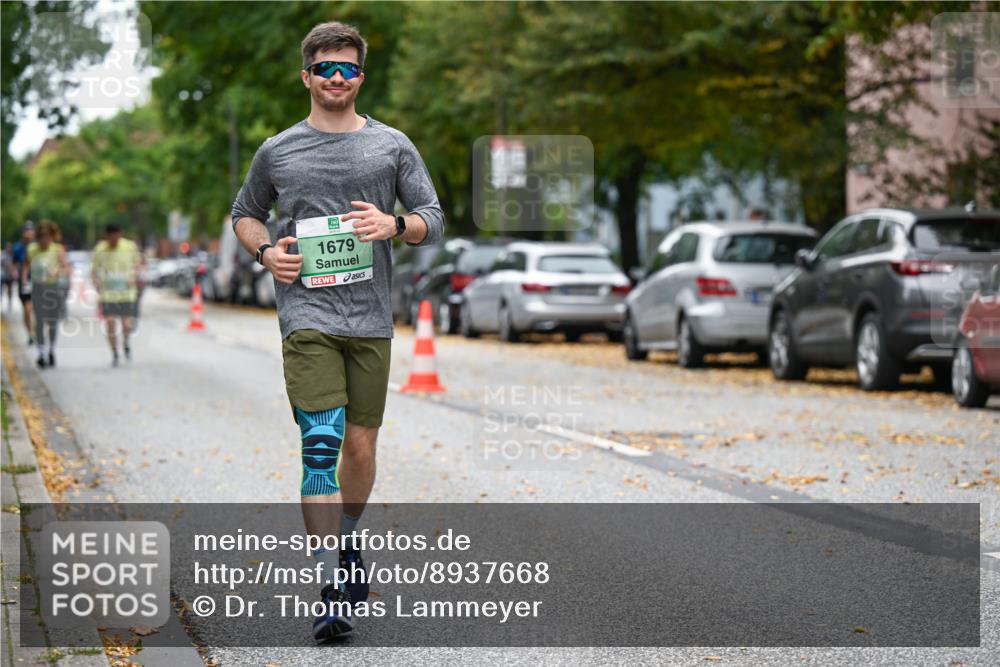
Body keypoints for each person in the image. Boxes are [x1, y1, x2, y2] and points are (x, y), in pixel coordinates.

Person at [231, 21, 444, 642]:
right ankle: (328, 587)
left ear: (361, 76)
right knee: (321, 443)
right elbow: (246, 214)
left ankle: (348, 543)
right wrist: (268, 253)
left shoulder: (392, 147)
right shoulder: (278, 150)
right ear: (307, 76)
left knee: (360, 449)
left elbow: (433, 218)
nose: (336, 78)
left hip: (371, 318)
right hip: (307, 317)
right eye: (325, 68)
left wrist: (394, 224)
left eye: (347, 68)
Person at [91, 224, 143, 366]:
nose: (113, 239)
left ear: (120, 234)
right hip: (108, 293)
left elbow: (139, 265)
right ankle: (114, 352)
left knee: (127, 323)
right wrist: (97, 283)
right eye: (110, 236)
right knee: (110, 322)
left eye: (116, 236)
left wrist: (134, 277)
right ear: (106, 236)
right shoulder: (100, 249)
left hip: (127, 292)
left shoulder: (129, 247)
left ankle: (126, 341)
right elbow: (94, 271)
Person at [28, 221, 69, 368]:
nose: (44, 241)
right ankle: (41, 352)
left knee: (52, 321)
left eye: (47, 238)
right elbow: (27, 265)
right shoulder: (32, 249)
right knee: (39, 321)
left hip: (53, 287)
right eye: (42, 238)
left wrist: (56, 272)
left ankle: (51, 349)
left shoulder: (57, 249)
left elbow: (66, 267)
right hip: (38, 287)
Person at [12, 223, 35, 343]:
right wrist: (15, 272)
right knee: (27, 309)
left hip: (38, 281)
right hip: (24, 281)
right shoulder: (18, 247)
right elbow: (14, 263)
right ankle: (30, 333)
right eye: (26, 231)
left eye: (30, 231)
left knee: (37, 308)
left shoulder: (37, 247)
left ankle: (37, 330)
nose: (28, 234)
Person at [1, 243, 14, 310]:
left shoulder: (13, 254)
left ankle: (10, 301)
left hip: (9, 275)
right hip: (2, 274)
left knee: (10, 288)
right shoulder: (2, 254)